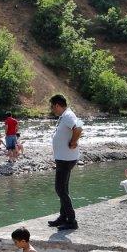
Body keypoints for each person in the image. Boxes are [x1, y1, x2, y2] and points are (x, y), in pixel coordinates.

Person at [48, 94, 82, 230]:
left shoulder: (68, 115)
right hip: (64, 158)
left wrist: (73, 142)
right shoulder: (66, 116)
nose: (52, 109)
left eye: (52, 106)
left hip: (65, 159)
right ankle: (63, 217)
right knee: (64, 189)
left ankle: (71, 221)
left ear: (57, 105)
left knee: (60, 189)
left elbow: (78, 128)